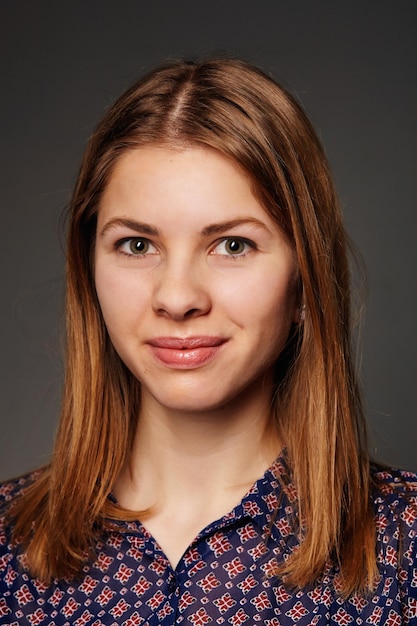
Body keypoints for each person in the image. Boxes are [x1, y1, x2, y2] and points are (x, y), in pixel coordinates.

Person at [0, 57, 416, 625]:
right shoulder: (6, 550)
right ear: (87, 268)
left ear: (304, 279)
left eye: (233, 245)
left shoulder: (405, 549)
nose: (176, 297)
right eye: (137, 246)